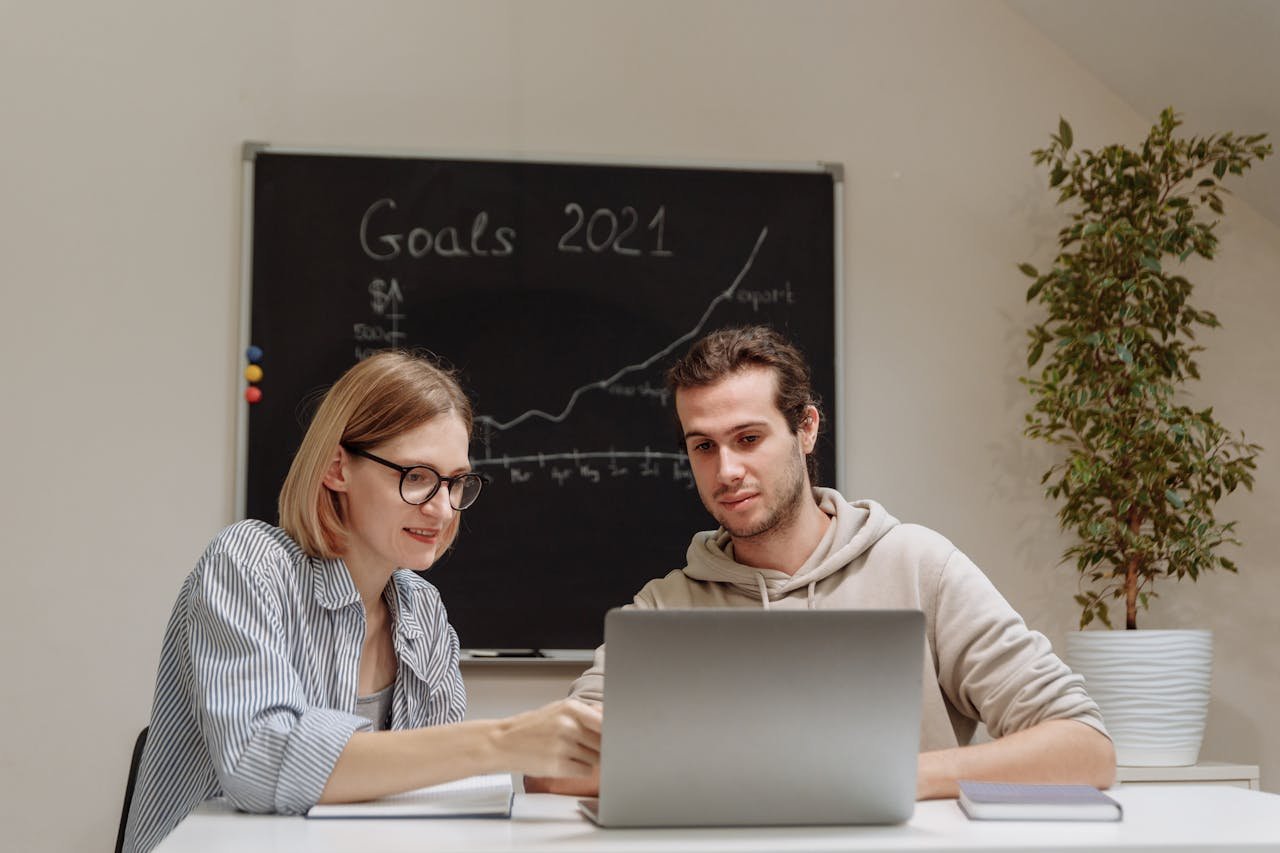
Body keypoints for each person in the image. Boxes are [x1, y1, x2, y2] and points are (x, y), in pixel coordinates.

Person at [529, 325, 1113, 800]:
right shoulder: (664, 607)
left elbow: (1085, 749)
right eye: (703, 446)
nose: (725, 470)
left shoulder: (919, 566)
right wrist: (770, 776)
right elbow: (548, 766)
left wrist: (896, 775)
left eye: (749, 438)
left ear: (806, 429)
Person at [123, 351, 601, 853]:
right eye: (416, 476)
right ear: (337, 469)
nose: (442, 508)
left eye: (456, 482)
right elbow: (260, 765)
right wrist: (503, 741)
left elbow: (436, 798)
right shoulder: (249, 563)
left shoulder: (422, 611)